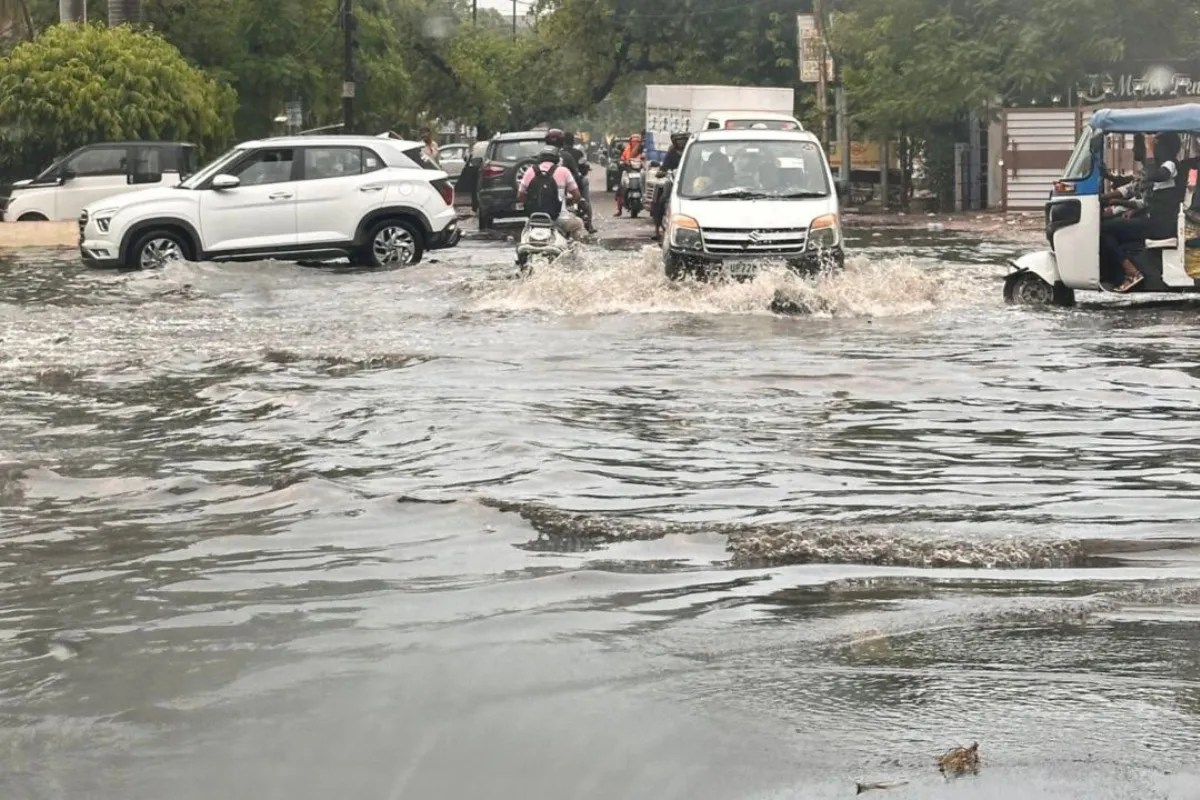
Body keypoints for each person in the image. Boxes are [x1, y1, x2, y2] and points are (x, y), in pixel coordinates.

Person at [1100, 132, 1184, 292]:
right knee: (1104, 229)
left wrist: (1149, 147)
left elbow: (1154, 177)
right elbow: (1151, 199)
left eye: (1141, 145)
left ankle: (1132, 272)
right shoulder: (1157, 166)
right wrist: (1131, 209)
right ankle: (1125, 270)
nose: (1135, 149)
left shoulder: (1170, 164)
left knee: (1103, 230)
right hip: (1151, 218)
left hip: (1159, 224)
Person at [517, 146, 586, 241]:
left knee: (524, 234)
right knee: (579, 224)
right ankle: (575, 247)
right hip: (559, 219)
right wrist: (568, 202)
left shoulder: (530, 171)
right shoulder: (563, 171)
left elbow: (520, 196)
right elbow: (577, 195)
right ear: (557, 158)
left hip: (534, 219)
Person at [545, 128, 596, 234]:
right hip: (567, 189)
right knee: (584, 193)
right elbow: (578, 173)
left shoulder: (541, 156)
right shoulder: (569, 156)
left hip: (548, 193)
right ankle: (589, 223)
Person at [652, 132, 689, 239]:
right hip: (673, 181)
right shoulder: (671, 153)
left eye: (683, 141)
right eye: (679, 141)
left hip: (689, 182)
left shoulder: (691, 151)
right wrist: (662, 172)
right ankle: (657, 229)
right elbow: (664, 167)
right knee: (661, 199)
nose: (681, 143)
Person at [615, 133, 644, 216]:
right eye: (633, 141)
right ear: (630, 142)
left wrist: (644, 162)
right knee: (621, 188)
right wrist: (623, 162)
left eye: (637, 141)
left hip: (640, 171)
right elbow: (622, 158)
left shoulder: (643, 150)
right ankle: (619, 209)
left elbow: (646, 159)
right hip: (629, 170)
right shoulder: (627, 149)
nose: (635, 143)